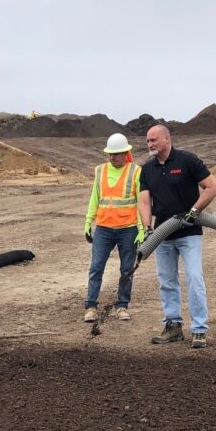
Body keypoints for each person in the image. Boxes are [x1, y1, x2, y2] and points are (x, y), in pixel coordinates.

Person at [137, 125, 216, 349]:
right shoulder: (147, 169)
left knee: (194, 277)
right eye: (148, 141)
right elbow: (144, 201)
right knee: (167, 281)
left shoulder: (187, 160)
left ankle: (199, 329)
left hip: (188, 232)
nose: (149, 144)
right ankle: (173, 326)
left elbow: (212, 187)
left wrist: (193, 212)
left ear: (167, 138)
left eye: (153, 140)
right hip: (162, 234)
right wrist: (147, 228)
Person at [82, 133, 145, 322]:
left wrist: (141, 228)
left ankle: (122, 305)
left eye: (116, 154)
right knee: (96, 267)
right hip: (103, 228)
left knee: (127, 269)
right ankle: (91, 306)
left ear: (126, 153)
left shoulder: (135, 171)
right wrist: (88, 221)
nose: (112, 157)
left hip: (128, 228)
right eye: (110, 154)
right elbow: (95, 197)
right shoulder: (100, 171)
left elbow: (141, 202)